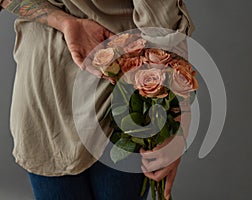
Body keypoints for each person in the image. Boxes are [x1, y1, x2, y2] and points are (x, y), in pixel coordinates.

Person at [0, 0, 194, 199]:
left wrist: (65, 23)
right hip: (120, 95)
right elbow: (161, 25)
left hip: (43, 91)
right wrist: (179, 123)